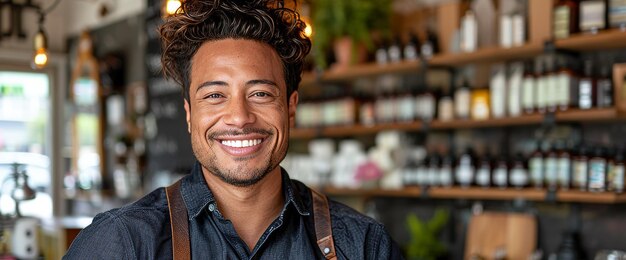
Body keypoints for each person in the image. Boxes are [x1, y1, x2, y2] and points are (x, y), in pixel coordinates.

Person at [64, 0, 402, 259]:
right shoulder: (124, 242)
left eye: (260, 93)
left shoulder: (362, 245)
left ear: (291, 107)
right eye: (214, 95)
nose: (239, 117)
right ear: (188, 114)